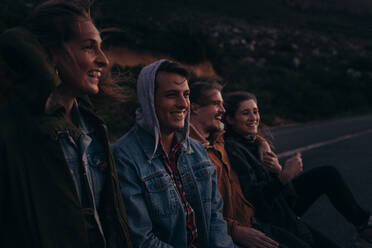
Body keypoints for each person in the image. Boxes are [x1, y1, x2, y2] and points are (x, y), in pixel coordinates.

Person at [0, 1, 132, 247]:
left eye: (101, 48)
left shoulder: (94, 128)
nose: (103, 60)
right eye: (88, 47)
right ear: (50, 53)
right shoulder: (13, 129)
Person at [112, 60, 236, 247]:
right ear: (149, 99)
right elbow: (141, 239)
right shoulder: (124, 157)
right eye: (171, 95)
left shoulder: (197, 151)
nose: (183, 104)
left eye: (186, 95)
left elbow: (214, 218)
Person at [223, 91, 372, 247]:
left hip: (282, 205)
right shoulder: (234, 150)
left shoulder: (251, 141)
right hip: (273, 217)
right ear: (230, 119)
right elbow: (257, 203)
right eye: (246, 113)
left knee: (327, 174)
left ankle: (365, 225)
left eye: (255, 111)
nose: (254, 118)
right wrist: (284, 176)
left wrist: (277, 169)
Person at [189, 81, 313, 248]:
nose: (223, 110)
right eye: (217, 104)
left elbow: (239, 132)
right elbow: (195, 211)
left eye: (255, 112)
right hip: (237, 231)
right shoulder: (187, 150)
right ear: (195, 108)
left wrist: (262, 143)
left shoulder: (218, 136)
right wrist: (233, 230)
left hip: (252, 221)